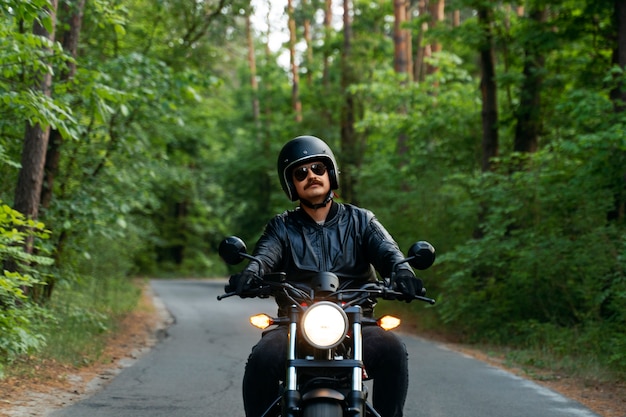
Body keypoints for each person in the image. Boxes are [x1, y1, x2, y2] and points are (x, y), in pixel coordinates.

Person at [226, 135, 423, 417]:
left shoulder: (361, 221)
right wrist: (251, 273)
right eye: (300, 172)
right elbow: (264, 256)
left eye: (317, 168)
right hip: (294, 324)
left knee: (392, 349)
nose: (311, 176)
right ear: (291, 184)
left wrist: (403, 273)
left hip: (356, 322)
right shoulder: (282, 227)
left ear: (330, 172)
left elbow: (389, 253)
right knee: (263, 356)